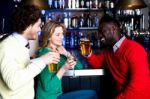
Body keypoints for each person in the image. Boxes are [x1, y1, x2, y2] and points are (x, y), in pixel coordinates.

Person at [0, 5, 60, 99]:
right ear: (28, 25)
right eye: (38, 25)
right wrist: (42, 61)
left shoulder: (19, 44)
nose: (40, 29)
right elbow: (13, 82)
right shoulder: (7, 46)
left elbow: (20, 69)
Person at [84, 16, 150, 99]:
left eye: (102, 31)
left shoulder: (134, 49)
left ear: (113, 29)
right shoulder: (109, 51)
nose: (99, 35)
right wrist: (87, 53)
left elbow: (138, 87)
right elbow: (97, 63)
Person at [36, 20, 98, 99]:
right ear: (48, 37)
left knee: (92, 94)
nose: (62, 37)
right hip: (49, 97)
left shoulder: (58, 52)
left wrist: (67, 54)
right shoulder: (46, 54)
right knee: (92, 95)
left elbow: (79, 67)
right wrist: (64, 68)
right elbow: (48, 88)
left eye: (62, 34)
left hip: (57, 96)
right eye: (58, 34)